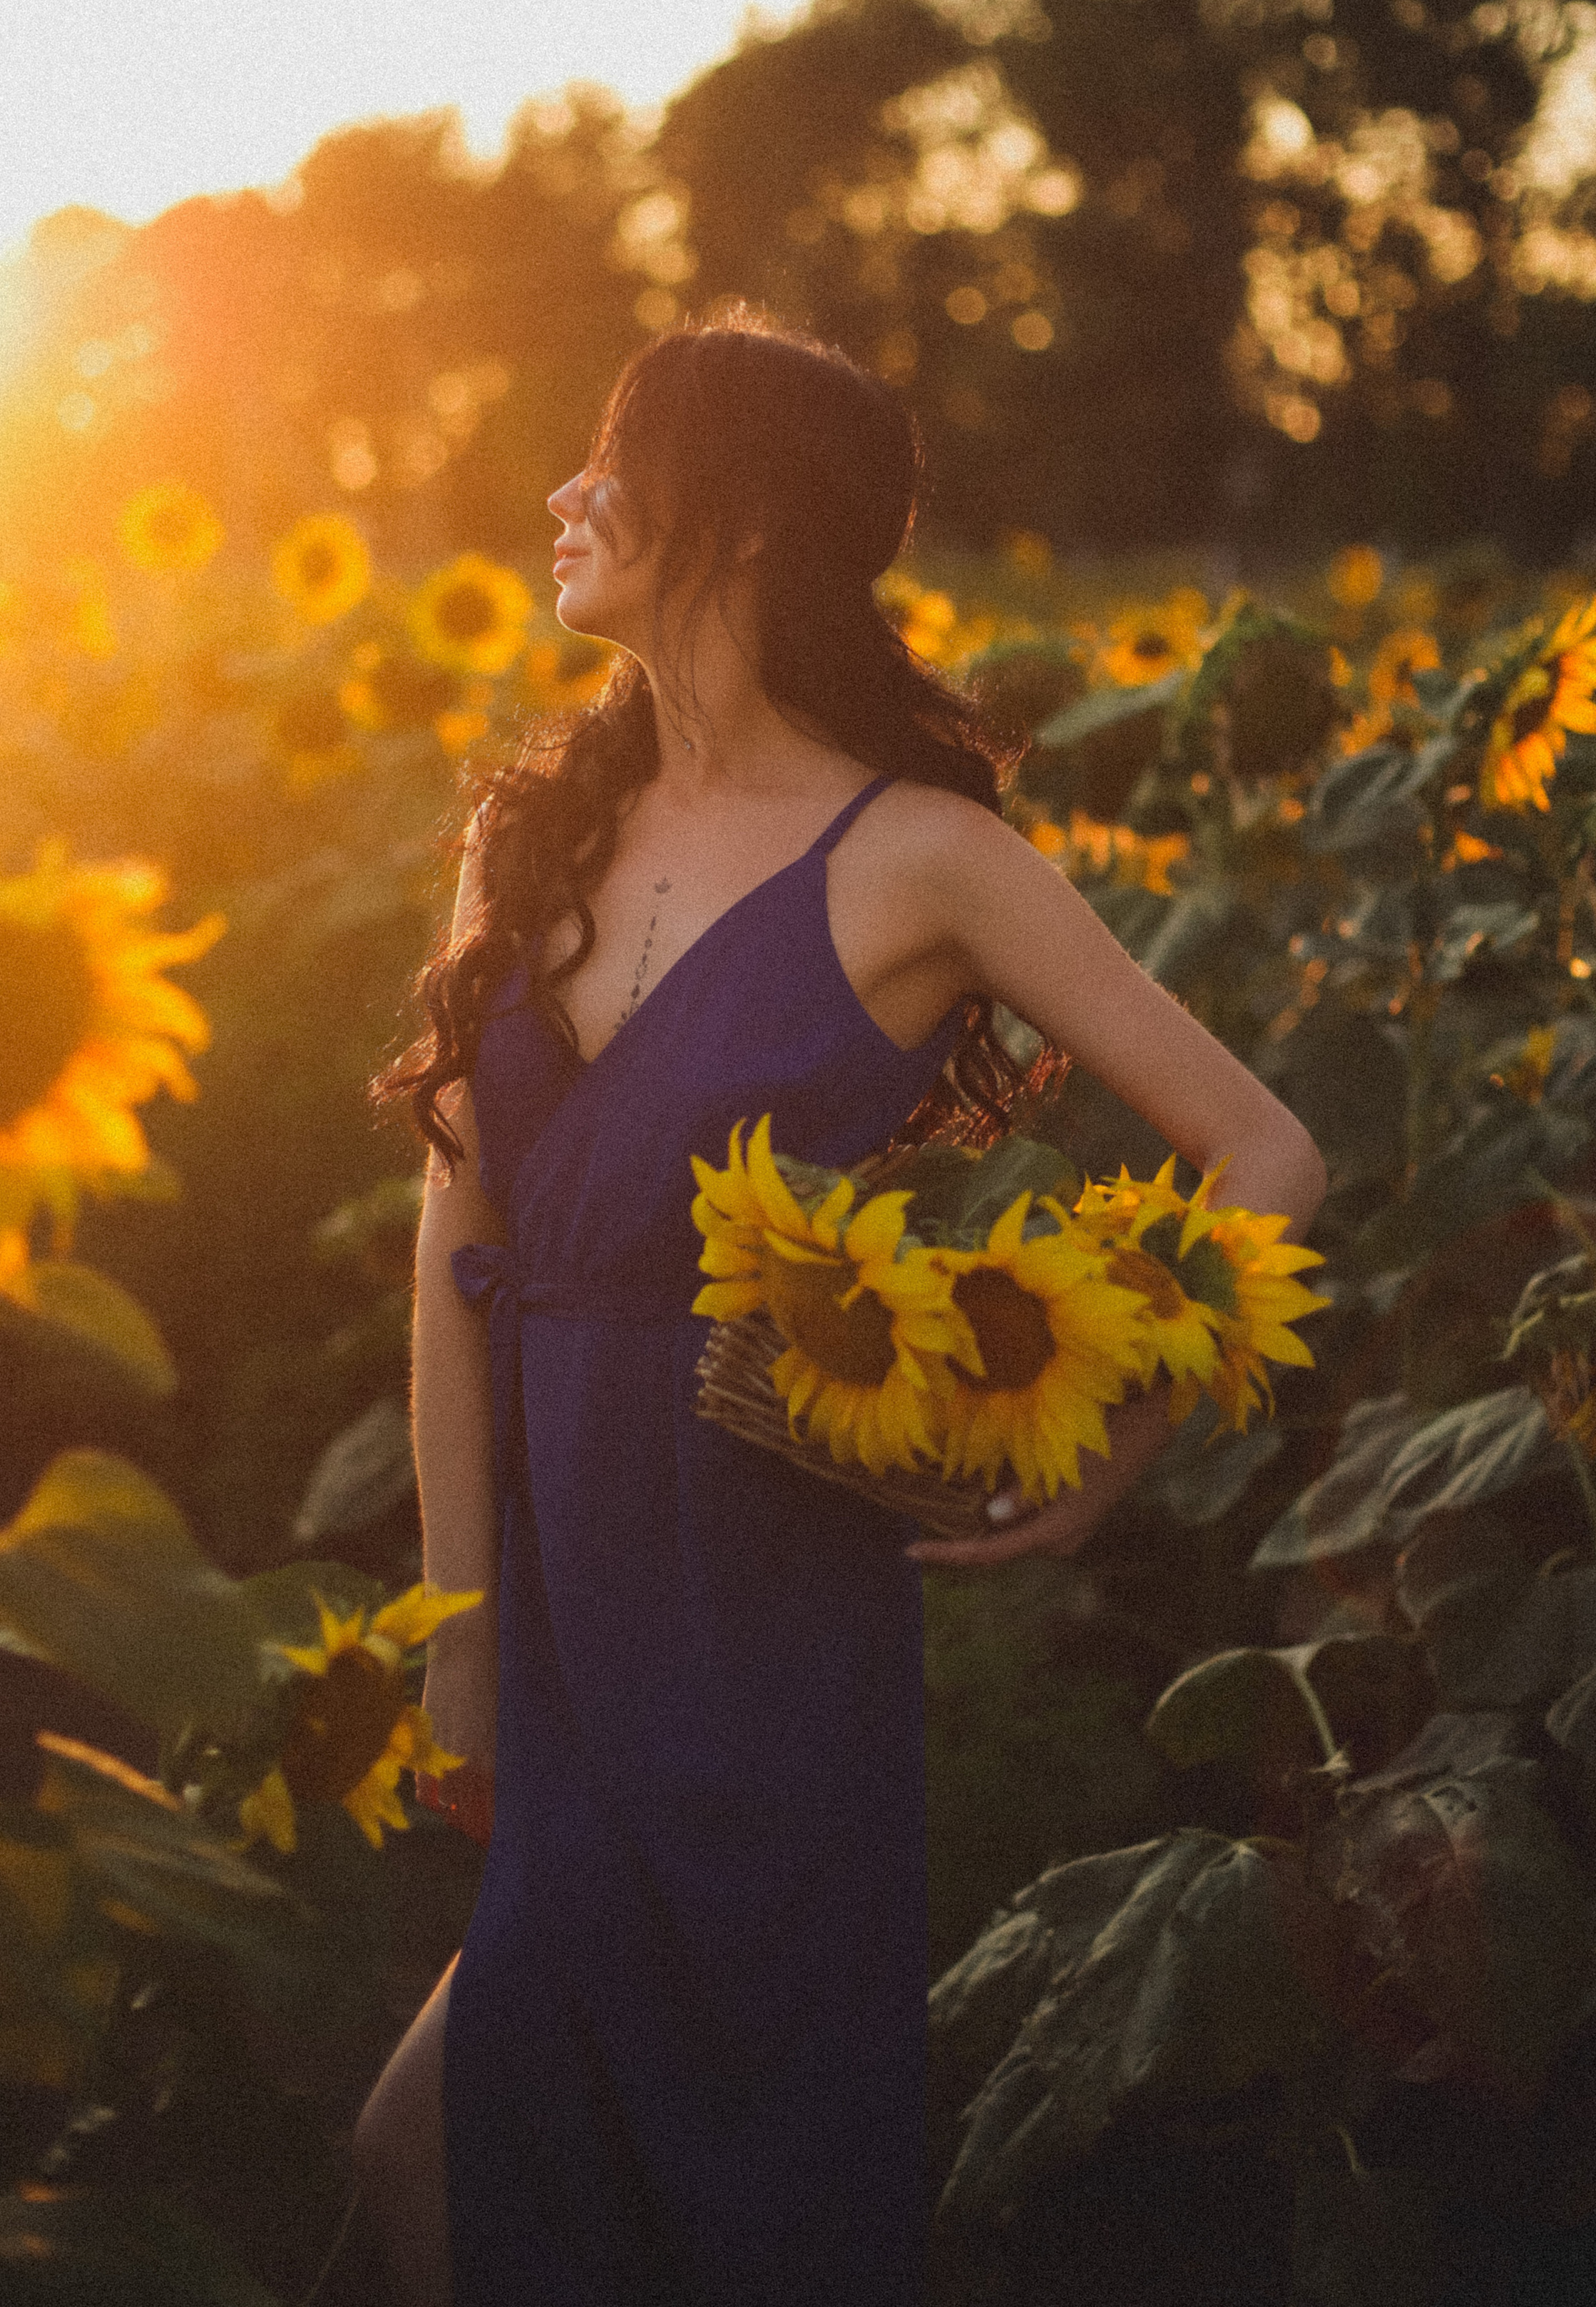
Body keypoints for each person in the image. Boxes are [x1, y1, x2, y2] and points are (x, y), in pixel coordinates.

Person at [351, 314, 1326, 2306]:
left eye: (613, 459)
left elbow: (1266, 1151)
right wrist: (460, 1648)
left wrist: (1115, 1438)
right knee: (422, 2173)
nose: (563, 495)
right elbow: (460, 1271)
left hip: (766, 1623)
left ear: (744, 517)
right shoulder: (523, 833)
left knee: (739, 2197)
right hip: (561, 1618)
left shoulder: (926, 861)